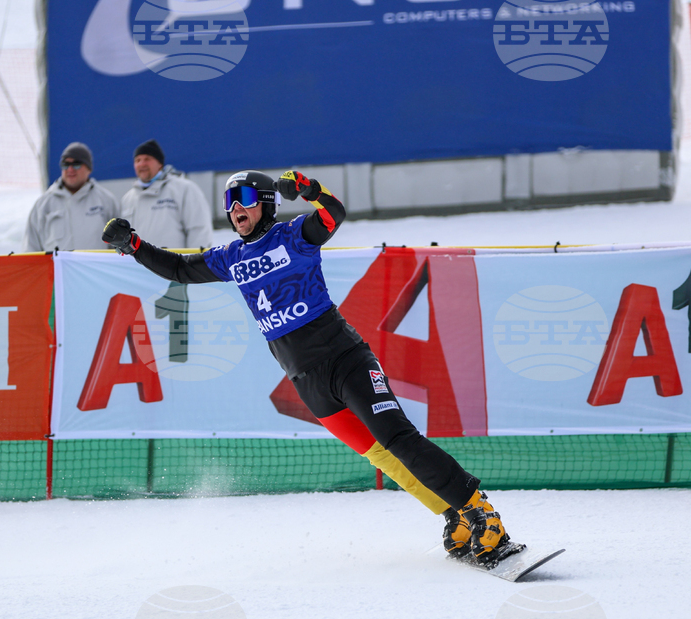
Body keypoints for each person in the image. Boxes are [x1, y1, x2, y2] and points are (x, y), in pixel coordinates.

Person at [102, 170, 515, 564]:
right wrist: (134, 245)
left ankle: (481, 510)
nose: (234, 209)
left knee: (399, 440)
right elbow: (178, 269)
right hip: (307, 381)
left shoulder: (294, 236)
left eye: (243, 199)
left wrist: (310, 189)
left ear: (265, 203)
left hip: (345, 360)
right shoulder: (231, 257)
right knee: (383, 458)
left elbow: (334, 214)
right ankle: (453, 515)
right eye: (229, 202)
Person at [25, 142, 120, 252]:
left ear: (89, 168)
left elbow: (119, 246)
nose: (70, 169)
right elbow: (31, 248)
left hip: (96, 269)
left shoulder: (106, 200)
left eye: (76, 164)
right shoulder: (43, 204)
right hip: (57, 269)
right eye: (65, 164)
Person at [120, 139, 213, 249]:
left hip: (173, 264)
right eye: (138, 160)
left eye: (147, 159)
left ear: (160, 164)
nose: (142, 164)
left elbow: (199, 229)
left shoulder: (184, 189)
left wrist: (195, 262)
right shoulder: (128, 198)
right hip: (136, 265)